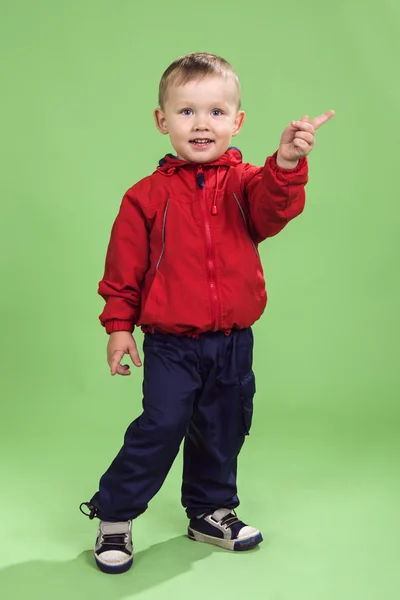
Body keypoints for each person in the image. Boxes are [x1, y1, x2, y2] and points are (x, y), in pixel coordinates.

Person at [79, 52, 334, 574]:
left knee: (224, 425)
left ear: (237, 121)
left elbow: (275, 208)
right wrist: (119, 328)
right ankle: (115, 513)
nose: (201, 124)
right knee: (163, 424)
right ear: (162, 120)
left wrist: (285, 163)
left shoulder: (246, 184)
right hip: (172, 343)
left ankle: (210, 511)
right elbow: (123, 271)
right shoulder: (144, 198)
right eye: (187, 111)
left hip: (233, 341)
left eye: (216, 112)